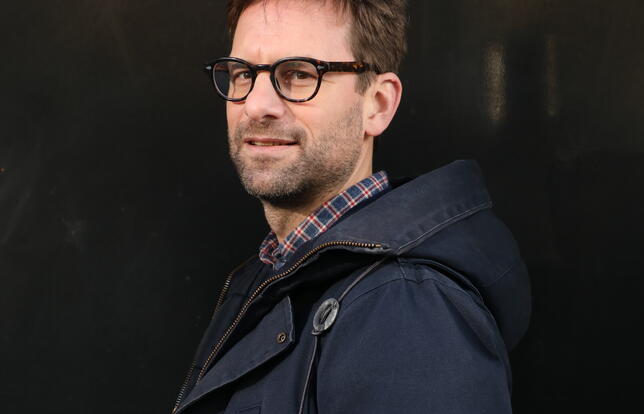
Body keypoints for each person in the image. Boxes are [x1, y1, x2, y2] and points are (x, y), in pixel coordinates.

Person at [172, 0, 531, 413]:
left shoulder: (406, 311)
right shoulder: (276, 271)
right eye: (243, 74)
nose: (256, 105)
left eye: (299, 74)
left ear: (377, 104)